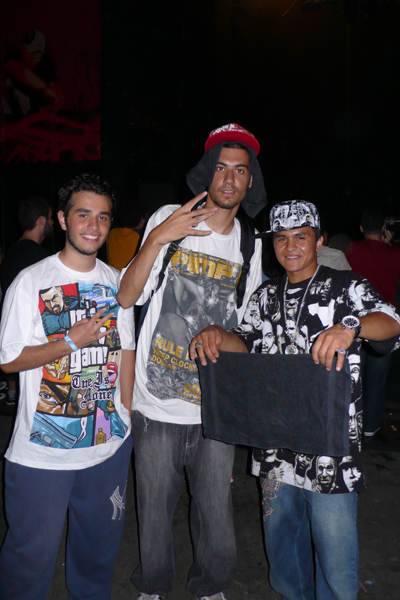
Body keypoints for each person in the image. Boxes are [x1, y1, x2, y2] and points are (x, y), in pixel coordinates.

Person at [190, 200, 400, 600]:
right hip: (275, 445)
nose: (290, 247)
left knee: (335, 560)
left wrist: (350, 327)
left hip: (330, 449)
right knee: (284, 553)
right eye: (281, 239)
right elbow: (245, 341)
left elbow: (391, 323)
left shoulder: (347, 286)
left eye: (300, 237)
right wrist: (218, 334)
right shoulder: (265, 294)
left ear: (319, 240)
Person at [117, 123, 267, 600]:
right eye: (220, 167)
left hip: (215, 409)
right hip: (155, 402)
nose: (229, 178)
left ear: (250, 180)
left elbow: (250, 331)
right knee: (153, 510)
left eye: (239, 170)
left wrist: (225, 337)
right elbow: (126, 296)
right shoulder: (170, 218)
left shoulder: (251, 244)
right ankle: (153, 586)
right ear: (207, 172)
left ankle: (210, 586)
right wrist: (157, 238)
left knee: (214, 510)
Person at [0, 174, 135, 600]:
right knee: (27, 565)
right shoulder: (31, 281)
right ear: (61, 219)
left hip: (107, 449)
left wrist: (126, 413)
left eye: (103, 217)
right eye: (83, 215)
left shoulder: (118, 282)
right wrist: (69, 342)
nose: (93, 226)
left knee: (96, 565)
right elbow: (8, 359)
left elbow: (126, 350)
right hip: (42, 455)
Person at [346, 208, 400, 436]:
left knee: (353, 378)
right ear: (383, 229)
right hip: (385, 325)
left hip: (358, 322)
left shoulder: (352, 249)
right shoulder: (395, 253)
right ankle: (370, 427)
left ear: (361, 228)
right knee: (377, 380)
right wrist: (388, 244)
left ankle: (350, 424)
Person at [1, 195, 54, 405]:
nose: (52, 222)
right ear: (41, 221)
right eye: (50, 218)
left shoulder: (11, 252)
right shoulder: (40, 258)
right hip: (34, 344)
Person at [4, 29, 64, 117]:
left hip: (35, 119)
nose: (35, 58)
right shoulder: (13, 56)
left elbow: (53, 95)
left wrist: (54, 104)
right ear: (23, 49)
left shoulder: (46, 63)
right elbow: (21, 71)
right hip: (13, 118)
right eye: (31, 53)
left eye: (38, 54)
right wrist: (46, 88)